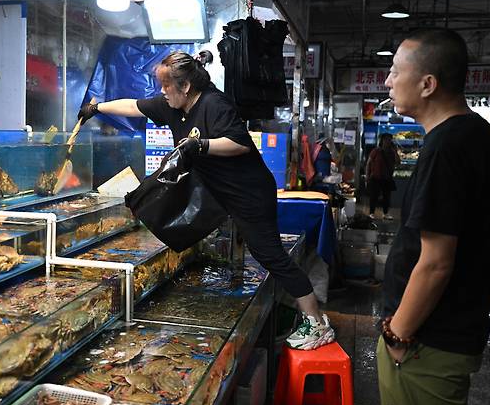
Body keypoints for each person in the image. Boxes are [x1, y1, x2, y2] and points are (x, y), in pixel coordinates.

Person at [78, 50, 334, 350]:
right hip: (217, 191)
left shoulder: (214, 104)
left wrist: (201, 145)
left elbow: (239, 143)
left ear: (185, 87)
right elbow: (133, 106)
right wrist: (96, 108)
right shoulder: (172, 105)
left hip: (249, 192)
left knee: (269, 254)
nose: (162, 93)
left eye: (166, 86)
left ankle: (317, 322)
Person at [378, 28, 490, 405]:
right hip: (447, 337)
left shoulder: (447, 146)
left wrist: (397, 334)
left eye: (394, 71)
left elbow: (436, 262)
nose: (388, 81)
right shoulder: (478, 136)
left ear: (427, 84)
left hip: (427, 344)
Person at [365, 133, 399, 220]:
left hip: (387, 178)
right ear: (382, 141)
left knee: (386, 197)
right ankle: (371, 213)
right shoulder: (376, 151)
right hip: (375, 177)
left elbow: (398, 162)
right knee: (374, 196)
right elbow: (369, 163)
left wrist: (395, 151)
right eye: (386, 140)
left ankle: (385, 213)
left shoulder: (392, 152)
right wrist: (367, 175)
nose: (388, 142)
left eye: (389, 140)